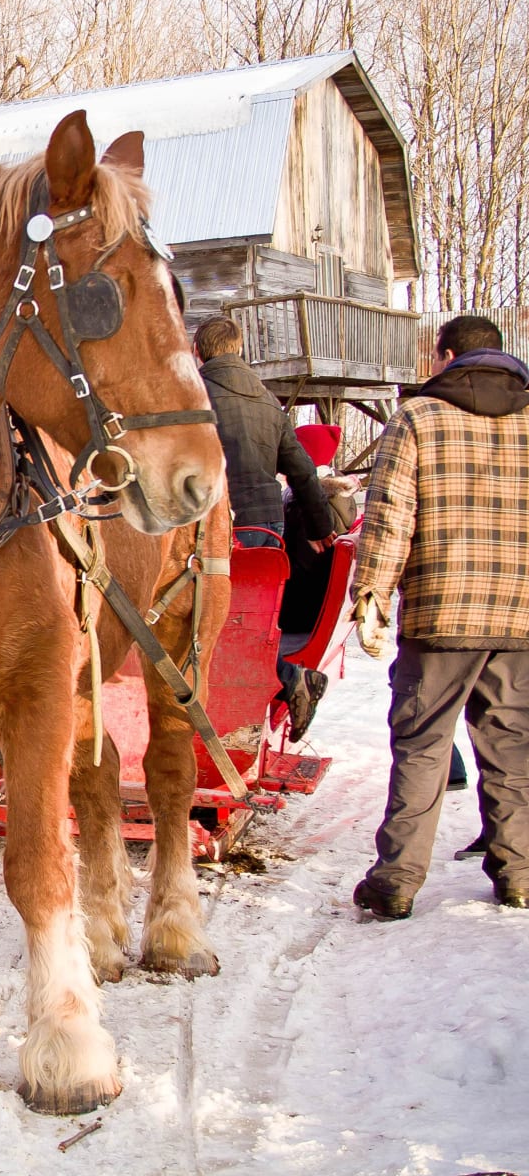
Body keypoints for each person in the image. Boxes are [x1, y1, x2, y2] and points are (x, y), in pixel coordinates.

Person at [351, 314, 529, 918]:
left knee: (424, 746)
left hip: (440, 612)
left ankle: (397, 882)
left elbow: (389, 515)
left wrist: (371, 593)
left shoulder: (418, 418)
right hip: (521, 613)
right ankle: (519, 873)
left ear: (445, 354)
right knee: (511, 745)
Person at [193, 314, 337, 742]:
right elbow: (303, 471)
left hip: (213, 522)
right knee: (246, 622)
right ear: (239, 351)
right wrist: (319, 525)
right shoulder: (266, 400)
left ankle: (286, 679)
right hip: (266, 526)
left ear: (199, 352)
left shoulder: (196, 392)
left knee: (207, 622)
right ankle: (268, 690)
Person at [278, 423, 361, 634]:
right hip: (317, 605)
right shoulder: (339, 496)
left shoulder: (310, 505)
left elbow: (302, 567)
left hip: (299, 612)